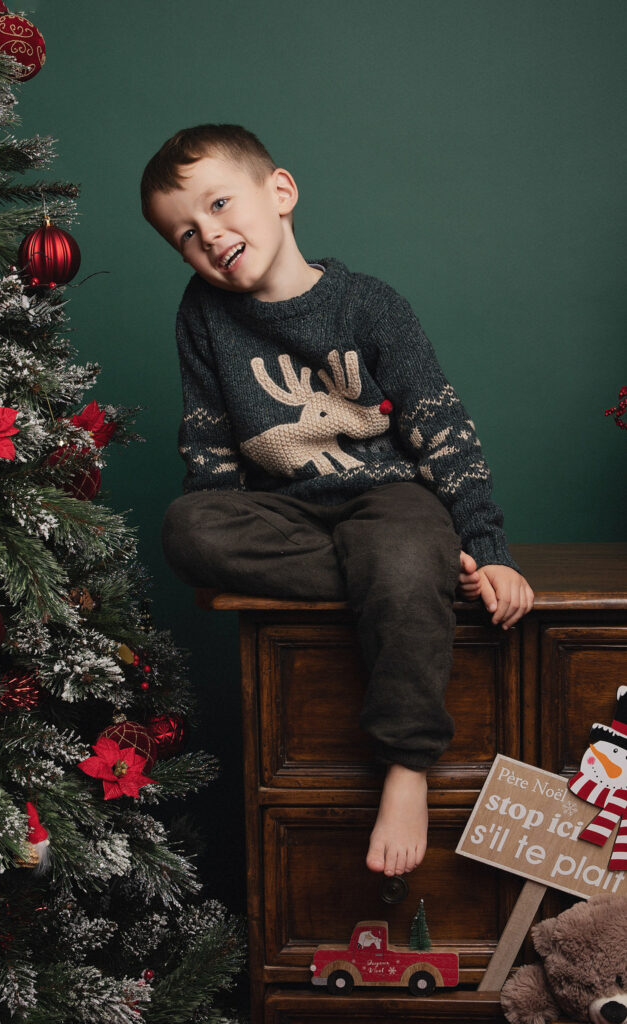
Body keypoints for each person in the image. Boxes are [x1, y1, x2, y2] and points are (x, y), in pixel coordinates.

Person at [140, 124, 534, 877]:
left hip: (389, 499)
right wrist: (223, 538)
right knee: (187, 527)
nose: (209, 235)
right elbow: (208, 441)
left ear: (279, 193)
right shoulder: (201, 313)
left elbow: (441, 427)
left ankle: (407, 765)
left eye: (220, 205)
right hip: (284, 510)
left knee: (397, 540)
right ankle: (403, 574)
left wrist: (485, 549)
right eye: (185, 234)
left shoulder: (369, 305)